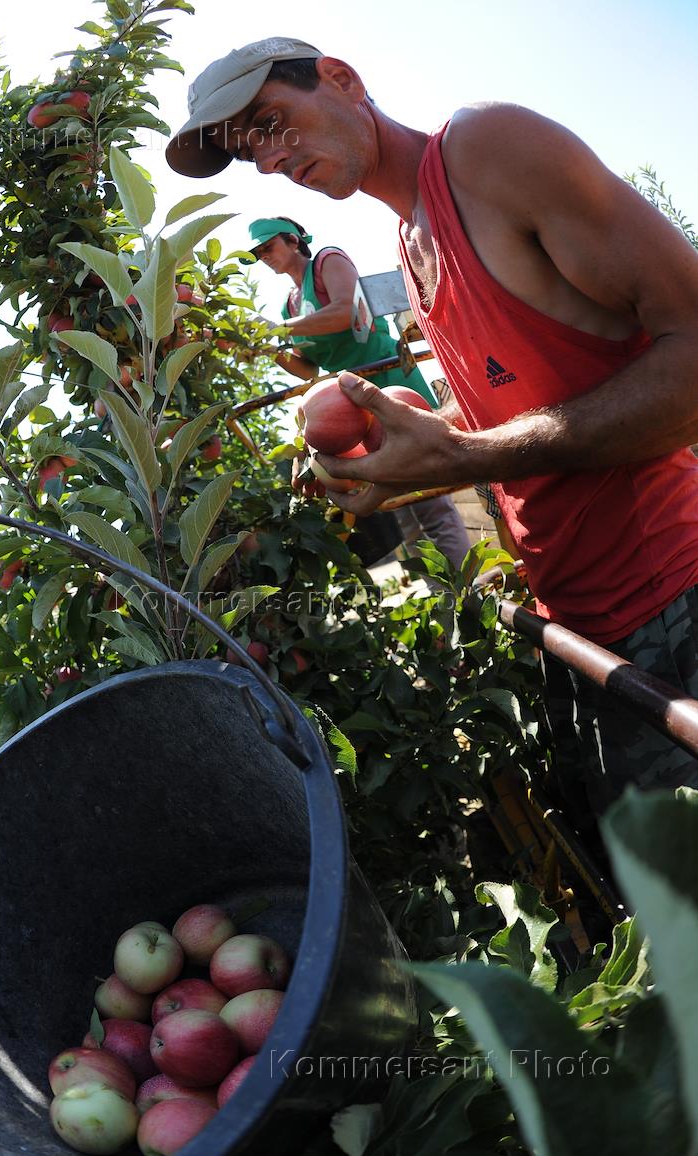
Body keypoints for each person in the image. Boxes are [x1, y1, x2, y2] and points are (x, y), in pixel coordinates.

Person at [166, 38, 698, 816]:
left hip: (674, 599)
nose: (273, 159)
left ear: (342, 81)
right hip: (580, 623)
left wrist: (465, 452)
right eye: (254, 153)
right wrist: (400, 462)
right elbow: (508, 420)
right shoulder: (411, 252)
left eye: (274, 122)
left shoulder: (488, 152)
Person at [247, 214, 471, 568]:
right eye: (258, 253)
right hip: (350, 400)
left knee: (427, 490)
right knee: (395, 500)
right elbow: (307, 367)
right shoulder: (289, 303)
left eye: (268, 247)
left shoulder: (326, 261)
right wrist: (266, 349)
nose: (265, 256)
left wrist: (279, 330)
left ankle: (467, 590)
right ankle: (443, 594)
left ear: (293, 240)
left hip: (385, 380)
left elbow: (347, 312)